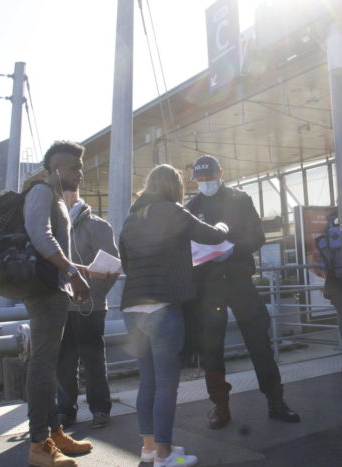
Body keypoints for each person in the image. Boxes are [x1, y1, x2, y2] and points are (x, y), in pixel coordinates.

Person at [119, 164, 229, 467]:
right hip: (163, 308)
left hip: (132, 308)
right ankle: (165, 456)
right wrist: (224, 225)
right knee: (167, 384)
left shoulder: (130, 219)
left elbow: (126, 264)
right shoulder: (172, 211)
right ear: (173, 187)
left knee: (147, 382)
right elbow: (212, 236)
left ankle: (149, 449)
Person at [186, 155, 301, 430]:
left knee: (259, 341)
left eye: (209, 178)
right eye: (200, 180)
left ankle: (276, 400)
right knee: (211, 349)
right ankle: (220, 406)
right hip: (209, 286)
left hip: (239, 280)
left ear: (221, 173)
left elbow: (257, 237)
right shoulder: (191, 206)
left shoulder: (240, 199)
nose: (205, 184)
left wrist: (231, 250)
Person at [24, 141, 98, 467]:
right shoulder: (42, 192)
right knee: (42, 365)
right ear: (56, 169)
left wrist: (83, 271)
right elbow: (41, 238)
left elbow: (57, 252)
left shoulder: (53, 196)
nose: (80, 173)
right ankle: (39, 444)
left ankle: (53, 431)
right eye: (74, 168)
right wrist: (72, 273)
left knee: (48, 364)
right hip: (44, 291)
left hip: (54, 289)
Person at [56, 189, 119, 430]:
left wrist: (92, 293)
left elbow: (111, 267)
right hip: (61, 306)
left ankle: (100, 409)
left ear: (72, 194)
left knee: (93, 359)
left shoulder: (97, 226)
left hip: (89, 306)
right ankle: (65, 410)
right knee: (64, 361)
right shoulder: (54, 227)